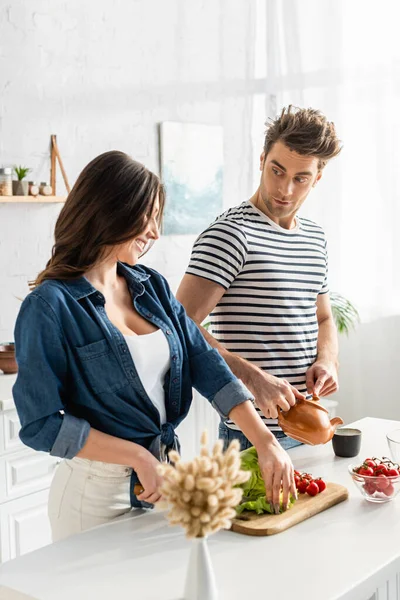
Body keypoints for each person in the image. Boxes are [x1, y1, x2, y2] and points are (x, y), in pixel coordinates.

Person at [12, 151, 296, 542]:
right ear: (110, 212)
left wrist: (265, 440)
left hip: (162, 481)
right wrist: (138, 456)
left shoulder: (153, 287)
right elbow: (40, 424)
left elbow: (204, 362)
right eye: (146, 218)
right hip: (93, 495)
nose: (154, 233)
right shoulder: (49, 306)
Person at [176, 106, 342, 451]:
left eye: (301, 178)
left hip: (309, 428)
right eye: (276, 170)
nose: (285, 189)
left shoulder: (315, 238)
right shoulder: (231, 235)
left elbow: (324, 317)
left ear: (318, 178)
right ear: (262, 159)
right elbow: (180, 326)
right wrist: (250, 376)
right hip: (249, 435)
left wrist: (326, 359)